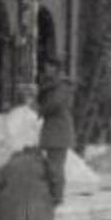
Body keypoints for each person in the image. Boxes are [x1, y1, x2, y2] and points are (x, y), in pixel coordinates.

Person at [37, 59, 75, 192]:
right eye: (45, 67)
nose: (46, 70)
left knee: (56, 165)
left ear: (56, 68)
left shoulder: (61, 86)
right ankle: (53, 193)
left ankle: (57, 194)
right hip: (54, 131)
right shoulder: (52, 85)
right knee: (52, 165)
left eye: (49, 67)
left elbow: (55, 104)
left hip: (59, 131)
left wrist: (40, 109)